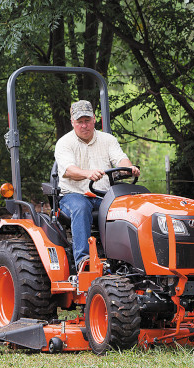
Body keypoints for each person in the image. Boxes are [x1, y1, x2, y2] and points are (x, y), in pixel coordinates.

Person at [55, 100, 140, 273]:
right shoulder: (64, 143)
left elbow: (120, 159)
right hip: (73, 195)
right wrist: (87, 173)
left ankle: (124, 259)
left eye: (87, 120)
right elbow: (69, 170)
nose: (84, 125)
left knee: (127, 209)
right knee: (80, 207)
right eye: (80, 122)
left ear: (94, 119)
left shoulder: (107, 140)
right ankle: (83, 261)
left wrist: (129, 168)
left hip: (103, 195)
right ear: (73, 122)